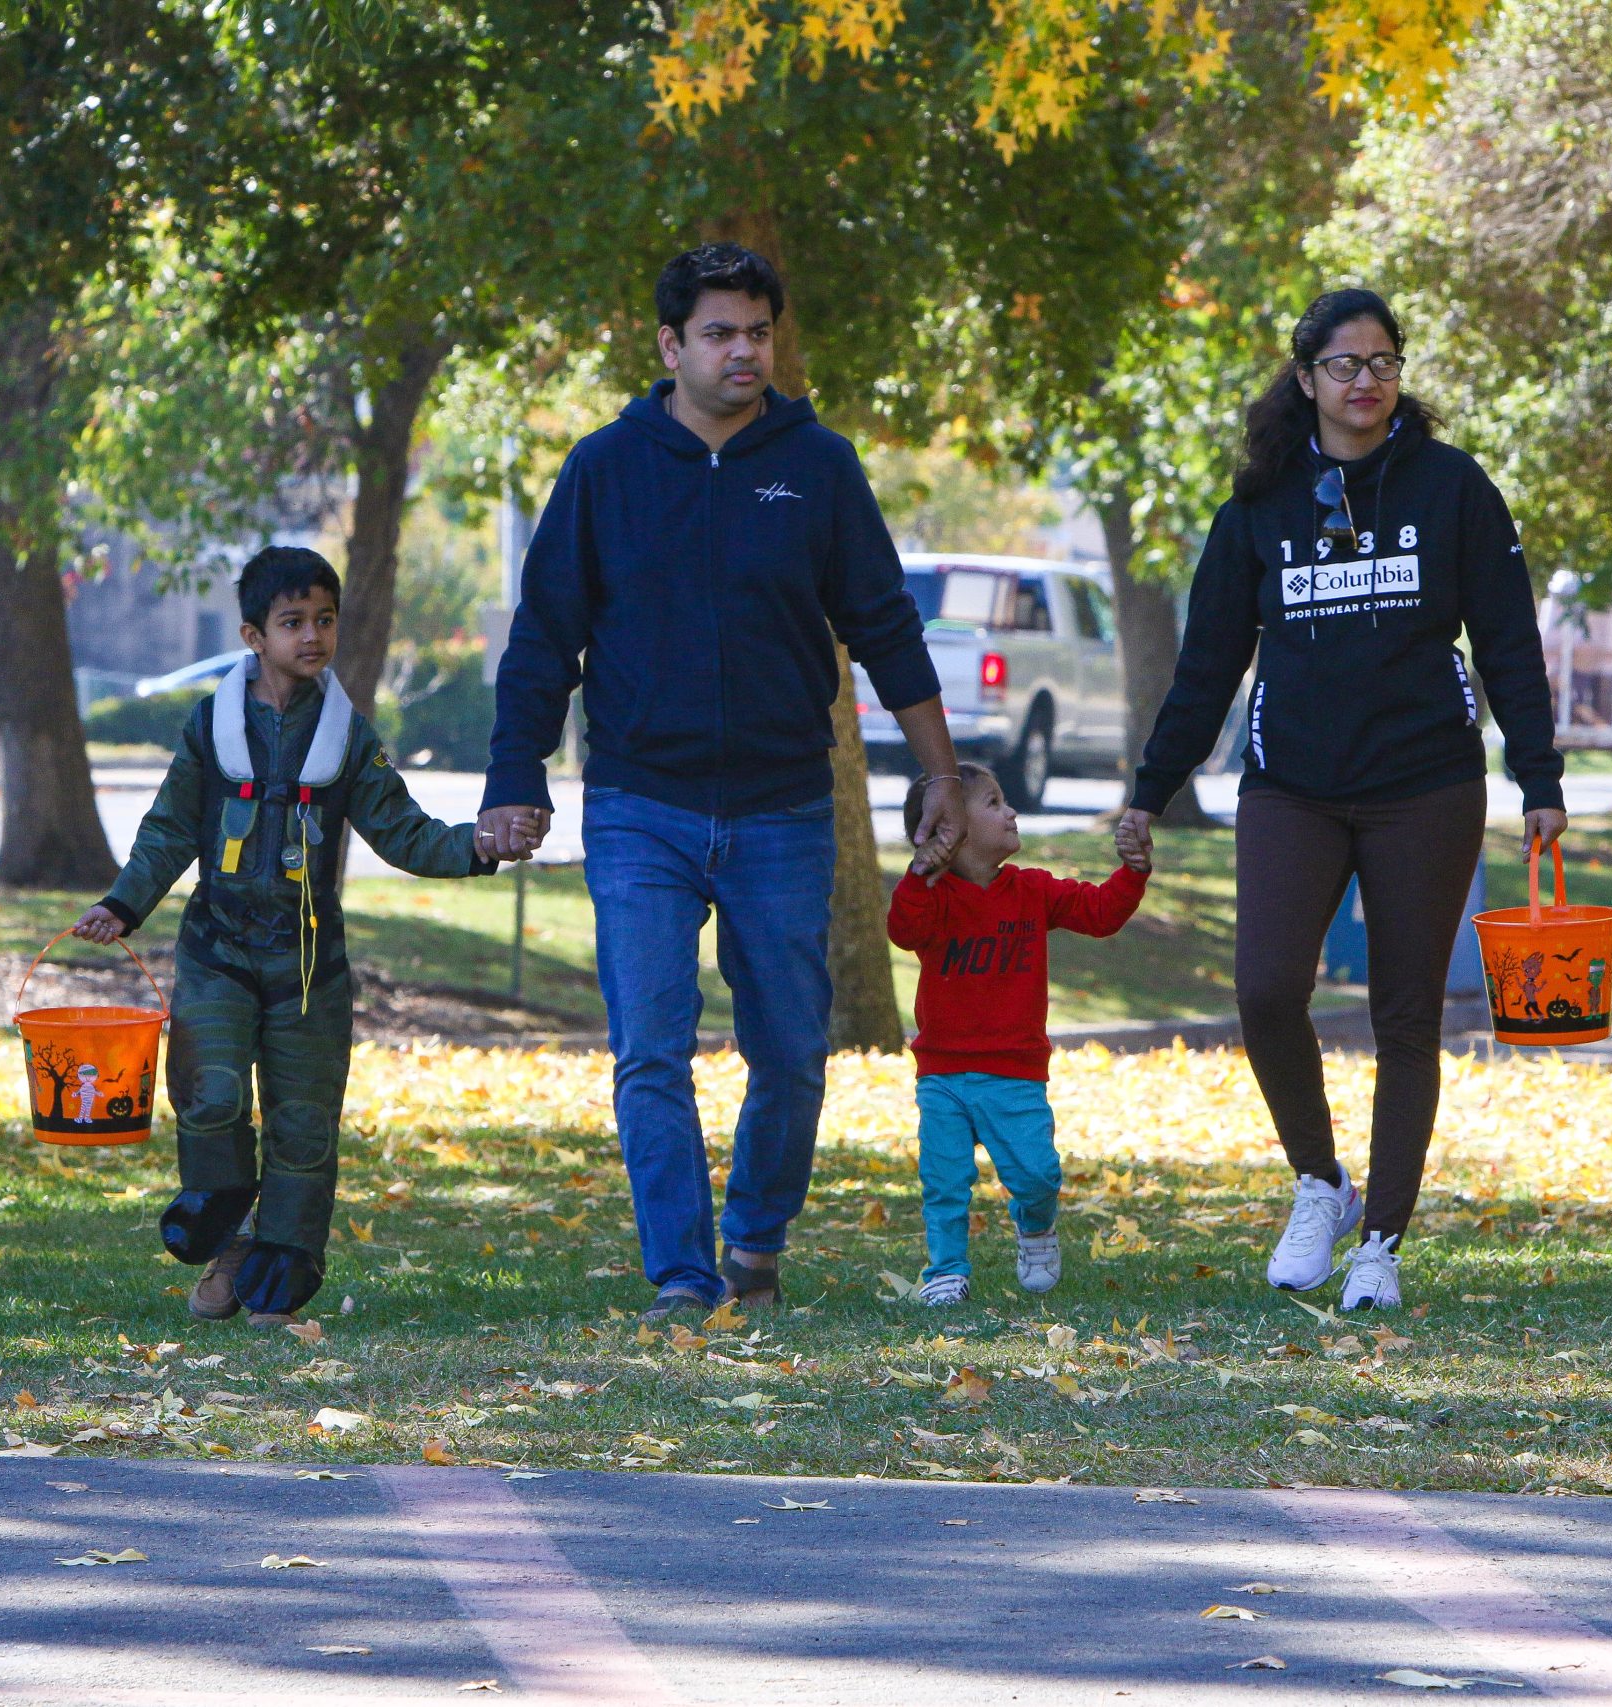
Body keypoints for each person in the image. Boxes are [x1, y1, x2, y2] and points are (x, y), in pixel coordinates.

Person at [477, 243, 966, 1318]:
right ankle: (682, 1275)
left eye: (757, 332)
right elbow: (544, 637)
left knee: (791, 1049)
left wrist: (941, 775)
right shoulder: (606, 469)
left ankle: (752, 1239)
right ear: (670, 345)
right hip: (639, 804)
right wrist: (515, 775)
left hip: (784, 805)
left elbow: (883, 623)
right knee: (650, 1045)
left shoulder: (819, 465)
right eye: (719, 333)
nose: (743, 351)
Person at [1115, 288, 1567, 1313]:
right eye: (1344, 366)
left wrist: (1539, 777)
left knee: (1404, 1015)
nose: (1365, 383)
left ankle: (1381, 1243)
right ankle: (1319, 1181)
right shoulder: (1259, 507)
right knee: (1266, 990)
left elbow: (1506, 642)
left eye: (1382, 363)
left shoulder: (1453, 489)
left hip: (1427, 785)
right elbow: (1206, 667)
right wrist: (1151, 787)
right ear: (1305, 377)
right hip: (1293, 786)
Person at [70, 546, 508, 1324]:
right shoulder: (210, 726)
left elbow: (404, 832)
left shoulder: (349, 737)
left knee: (304, 1123)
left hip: (309, 963)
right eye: (293, 621)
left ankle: (282, 1258)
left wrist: (477, 846)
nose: (313, 635)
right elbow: (168, 830)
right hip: (217, 951)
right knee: (210, 1095)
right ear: (252, 634)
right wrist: (123, 904)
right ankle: (229, 1229)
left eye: (326, 620)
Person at [886, 764, 1148, 1305]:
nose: (1010, 811)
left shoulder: (1031, 890)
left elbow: (1100, 913)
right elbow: (903, 930)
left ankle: (1035, 1226)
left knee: (1036, 1176)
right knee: (944, 1182)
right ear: (948, 831)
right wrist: (917, 874)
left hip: (1015, 1072)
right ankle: (946, 1272)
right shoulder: (931, 898)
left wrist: (1133, 872)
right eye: (994, 803)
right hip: (943, 1074)